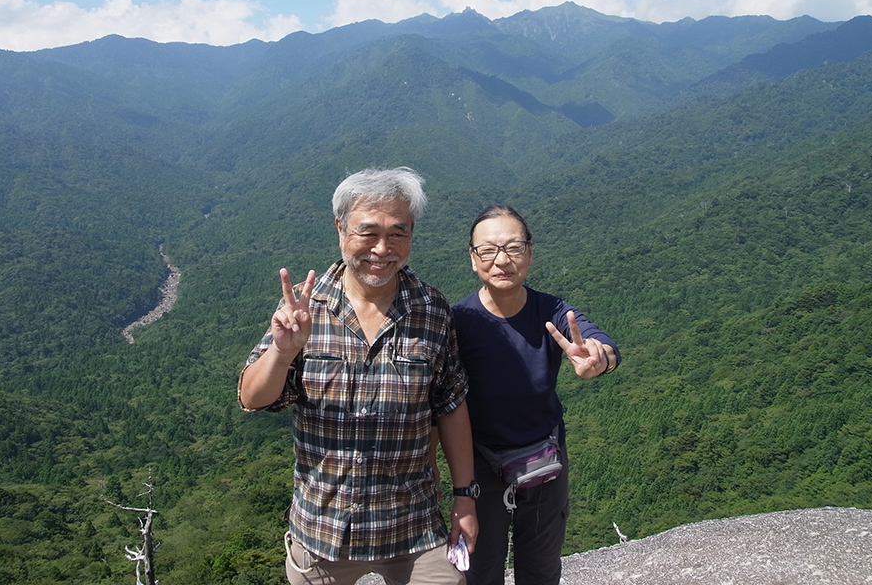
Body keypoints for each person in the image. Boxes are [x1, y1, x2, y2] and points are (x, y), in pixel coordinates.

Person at [238, 167, 479, 585]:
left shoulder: (431, 310)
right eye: (367, 232)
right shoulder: (306, 309)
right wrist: (283, 350)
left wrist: (465, 498)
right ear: (340, 228)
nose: (382, 249)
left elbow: (450, 405)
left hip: (413, 525)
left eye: (398, 234)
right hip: (324, 530)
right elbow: (252, 398)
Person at [451, 205, 620, 585]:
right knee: (482, 570)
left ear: (530, 252)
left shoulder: (553, 311)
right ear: (473, 259)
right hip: (481, 465)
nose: (502, 260)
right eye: (489, 250)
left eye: (513, 247)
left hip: (543, 457)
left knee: (541, 570)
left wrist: (598, 358)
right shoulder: (458, 322)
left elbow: (601, 344)